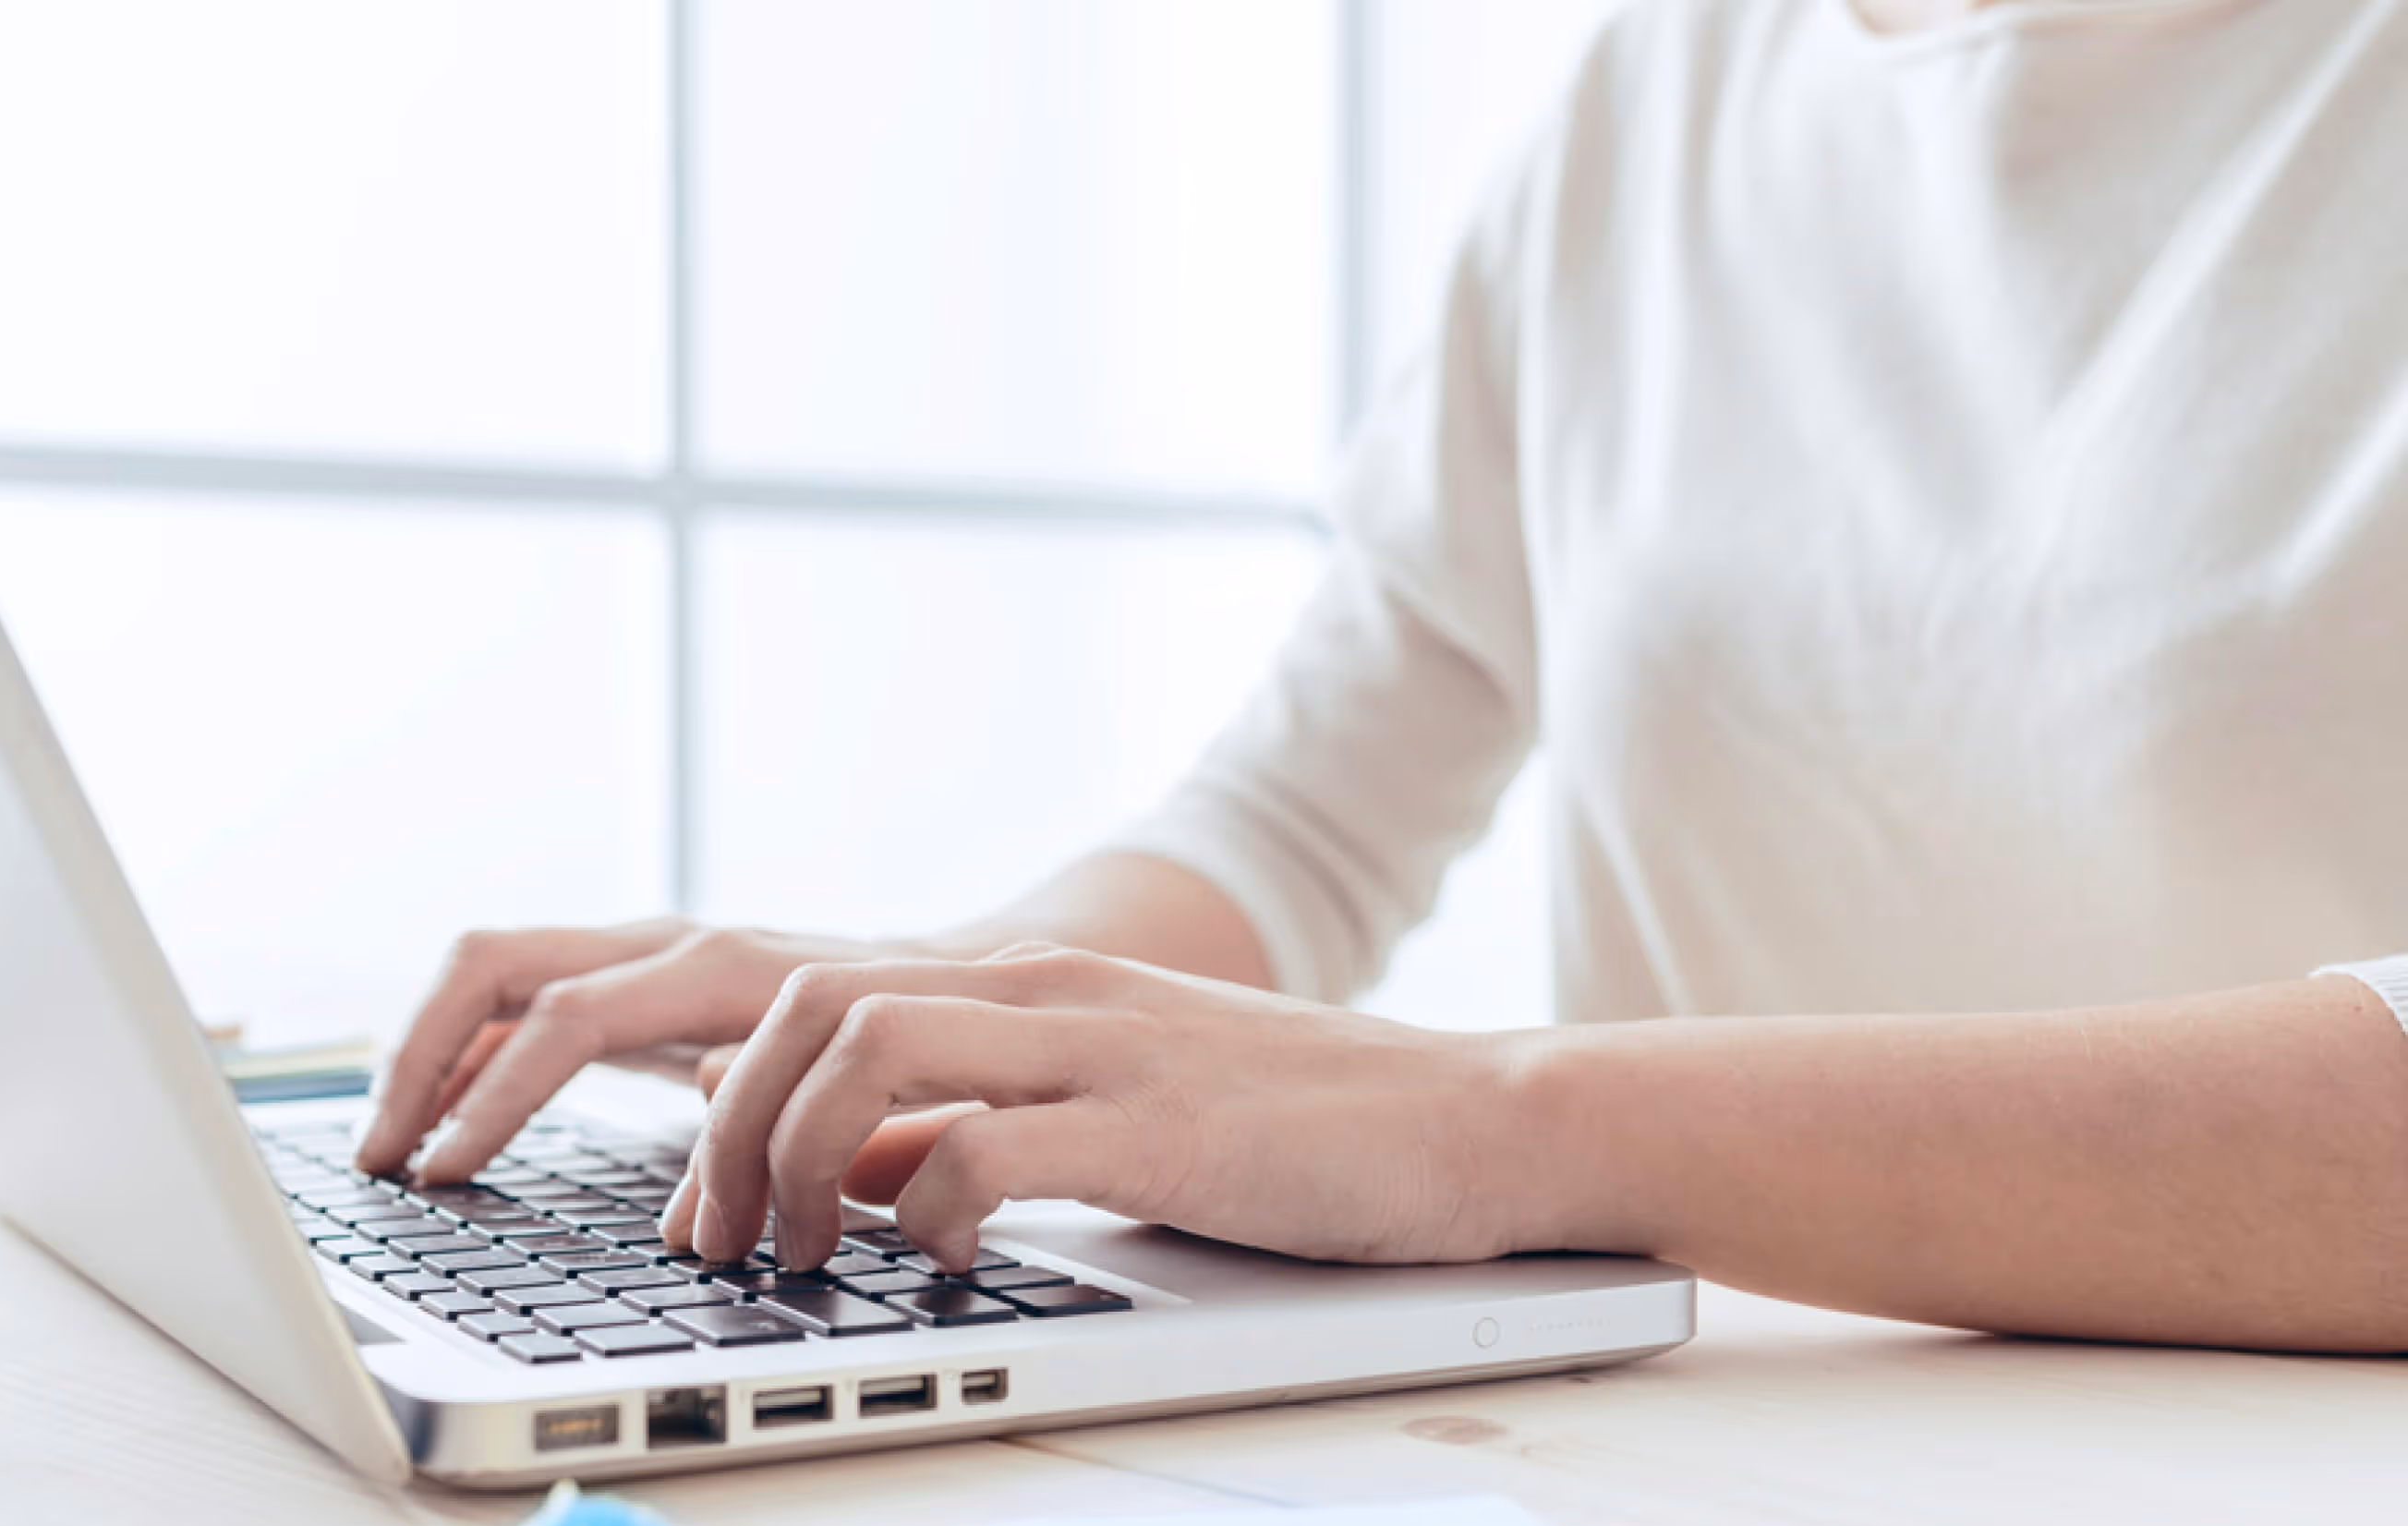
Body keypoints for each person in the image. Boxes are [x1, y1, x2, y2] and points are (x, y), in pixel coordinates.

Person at [361, 0, 2408, 1354]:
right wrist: (934, 1012)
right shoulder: (1670, 84)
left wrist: (1491, 1129)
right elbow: (1306, 812)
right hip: (1725, 1461)